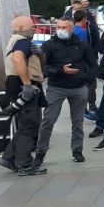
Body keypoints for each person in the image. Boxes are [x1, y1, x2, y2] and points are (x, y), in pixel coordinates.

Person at [34, 17, 94, 167]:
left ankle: (77, 150)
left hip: (78, 87)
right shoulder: (49, 45)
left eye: (64, 27)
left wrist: (85, 78)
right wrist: (61, 70)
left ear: (72, 28)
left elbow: (93, 64)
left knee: (78, 121)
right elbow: (43, 67)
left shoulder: (81, 44)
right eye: (58, 27)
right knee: (48, 120)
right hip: (57, 87)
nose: (60, 30)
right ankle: (40, 152)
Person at [0, 16, 46, 176]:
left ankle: (9, 158)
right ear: (20, 27)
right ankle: (24, 164)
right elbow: (18, 58)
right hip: (23, 86)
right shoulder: (22, 41)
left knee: (25, 126)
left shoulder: (16, 40)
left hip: (16, 85)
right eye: (31, 26)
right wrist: (27, 85)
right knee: (29, 127)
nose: (34, 28)